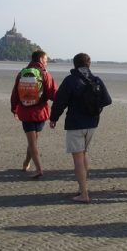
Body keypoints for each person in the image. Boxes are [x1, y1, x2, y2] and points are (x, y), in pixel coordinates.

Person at [49, 53, 112, 203]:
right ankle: (82, 188)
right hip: (92, 124)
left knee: (78, 159)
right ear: (89, 64)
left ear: (74, 64)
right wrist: (95, 110)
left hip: (75, 124)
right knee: (83, 156)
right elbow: (107, 100)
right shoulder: (96, 79)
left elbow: (59, 101)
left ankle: (84, 193)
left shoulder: (71, 80)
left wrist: (53, 118)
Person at [11, 50, 57, 179]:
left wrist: (14, 109)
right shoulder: (45, 74)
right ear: (41, 59)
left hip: (25, 112)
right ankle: (38, 168)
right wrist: (61, 104)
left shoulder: (21, 73)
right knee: (33, 142)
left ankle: (27, 163)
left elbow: (15, 93)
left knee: (33, 142)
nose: (47, 62)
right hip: (40, 113)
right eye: (46, 59)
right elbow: (53, 93)